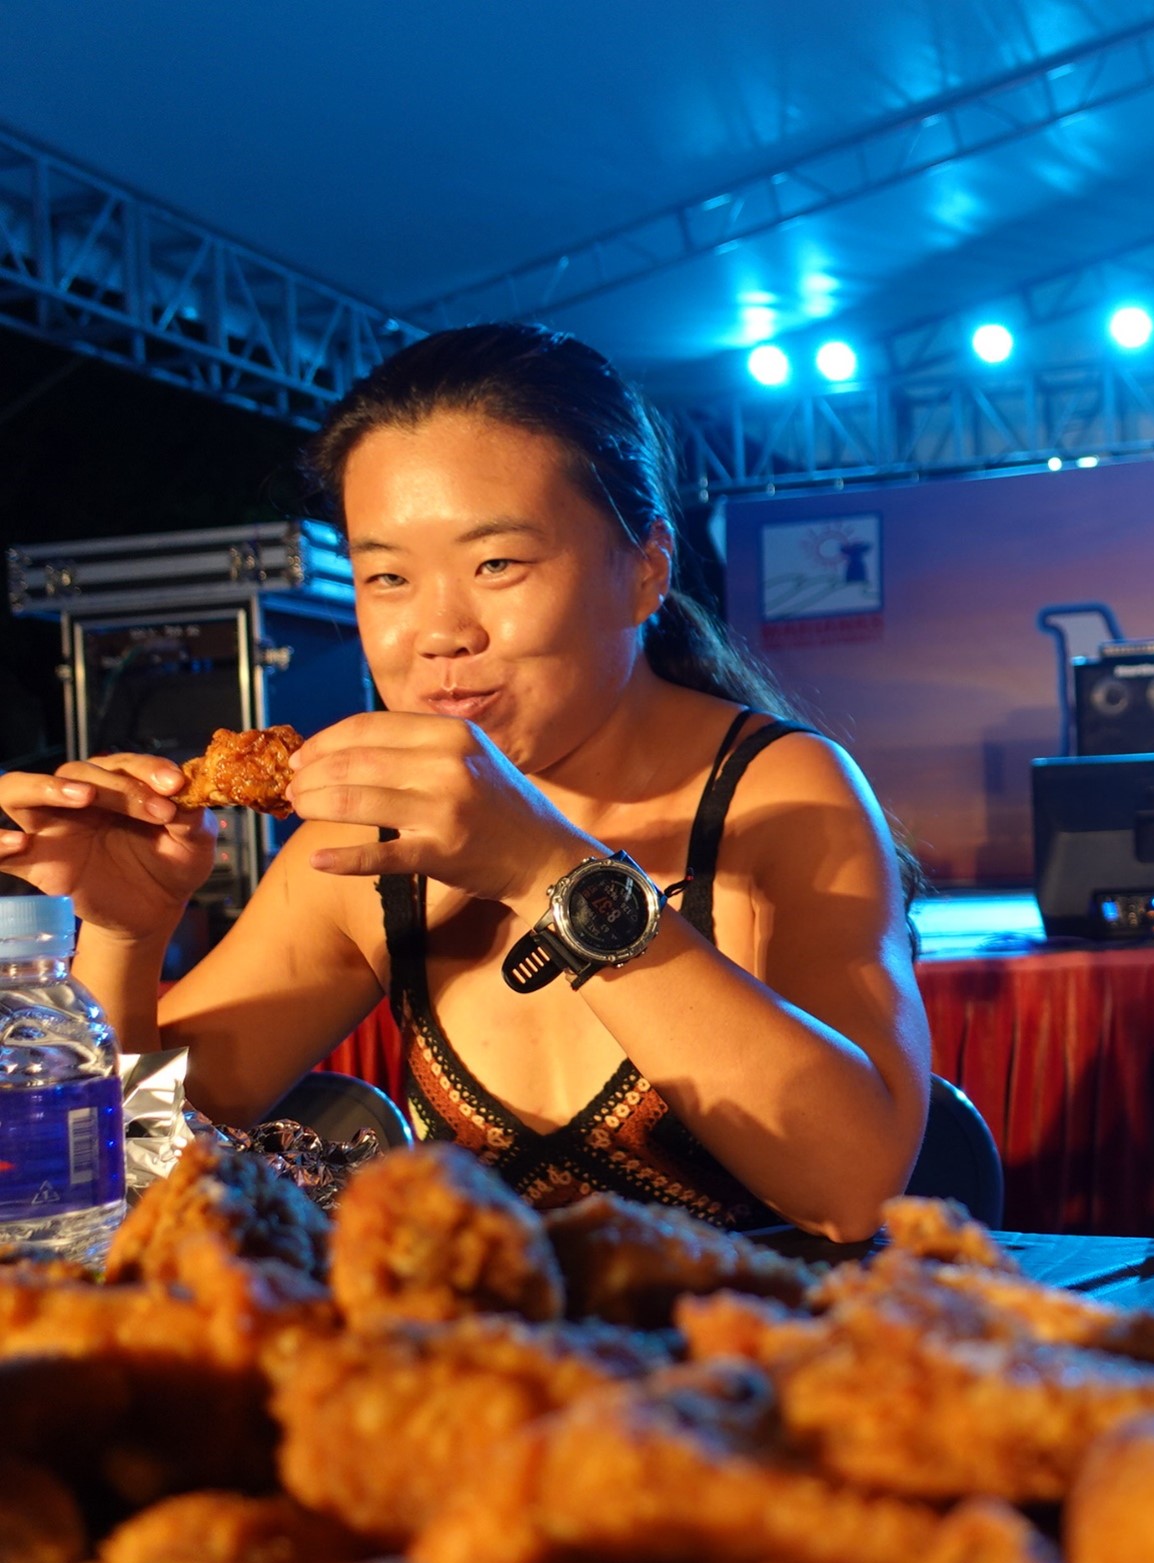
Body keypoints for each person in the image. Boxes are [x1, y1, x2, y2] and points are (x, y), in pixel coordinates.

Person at [0, 324, 932, 1242]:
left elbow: (848, 1187)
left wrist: (545, 871)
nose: (440, 632)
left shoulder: (783, 793)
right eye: (387, 578)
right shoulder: (368, 851)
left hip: (763, 1376)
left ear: (645, 569)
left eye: (496, 564)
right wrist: (125, 936)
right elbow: (126, 1171)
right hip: (479, 1382)